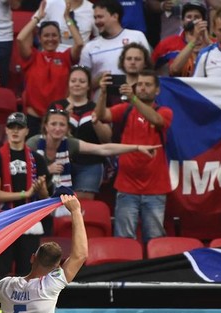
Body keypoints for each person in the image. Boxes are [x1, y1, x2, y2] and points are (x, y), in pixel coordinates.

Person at [95, 70, 171, 244]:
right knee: (124, 239)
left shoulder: (165, 111)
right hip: (127, 185)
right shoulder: (125, 110)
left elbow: (158, 120)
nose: (143, 88)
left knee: (155, 240)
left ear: (157, 90)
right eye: (140, 84)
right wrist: (103, 93)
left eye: (148, 84)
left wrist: (134, 99)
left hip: (155, 188)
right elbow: (101, 115)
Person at [27, 106, 159, 195]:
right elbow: (21, 170)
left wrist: (137, 147)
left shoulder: (69, 143)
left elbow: (103, 149)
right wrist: (47, 170)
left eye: (62, 124)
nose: (57, 128)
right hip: (32, 193)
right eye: (53, 124)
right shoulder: (33, 143)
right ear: (45, 126)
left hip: (55, 194)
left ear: (67, 128)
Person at [0, 112, 51, 277]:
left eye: (19, 128)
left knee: (27, 272)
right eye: (12, 128)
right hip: (5, 220)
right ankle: (1, 303)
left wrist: (40, 189)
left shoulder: (37, 159)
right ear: (6, 131)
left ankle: (24, 304)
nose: (15, 131)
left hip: (29, 221)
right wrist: (25, 194)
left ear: (27, 131)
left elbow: (45, 197)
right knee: (3, 273)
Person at [18, 0, 83, 133]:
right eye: (46, 36)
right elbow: (20, 38)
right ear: (40, 39)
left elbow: (79, 43)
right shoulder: (33, 57)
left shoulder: (65, 58)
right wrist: (37, 18)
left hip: (58, 118)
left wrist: (67, 19)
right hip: (34, 118)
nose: (50, 39)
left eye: (54, 35)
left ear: (60, 38)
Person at [49, 66, 113, 198]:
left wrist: (96, 122)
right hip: (61, 162)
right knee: (60, 203)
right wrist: (64, 120)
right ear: (68, 83)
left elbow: (107, 138)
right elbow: (47, 138)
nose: (77, 84)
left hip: (90, 164)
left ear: (89, 86)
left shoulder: (96, 108)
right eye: (73, 81)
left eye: (82, 81)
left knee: (83, 206)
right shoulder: (57, 107)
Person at [79, 0, 150, 81]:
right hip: (101, 93)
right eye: (95, 18)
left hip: (132, 93)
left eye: (100, 17)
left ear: (115, 16)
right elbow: (83, 83)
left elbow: (148, 70)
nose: (96, 22)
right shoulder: (89, 47)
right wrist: (98, 81)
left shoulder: (137, 36)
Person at [152, 0, 211, 77]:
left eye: (197, 17)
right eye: (189, 17)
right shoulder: (168, 43)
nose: (193, 20)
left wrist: (208, 42)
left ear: (204, 21)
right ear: (182, 22)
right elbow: (150, 67)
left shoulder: (212, 43)